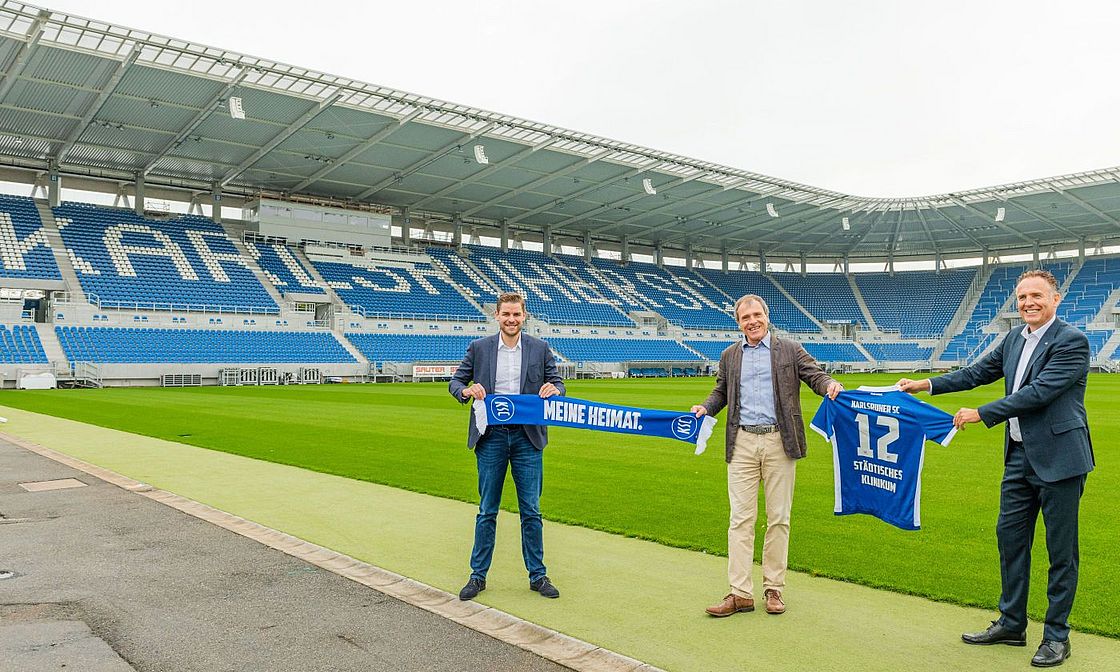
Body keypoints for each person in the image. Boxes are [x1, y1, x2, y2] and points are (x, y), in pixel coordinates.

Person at [897, 269, 1092, 668]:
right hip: (1019, 457)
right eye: (1022, 298)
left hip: (1061, 460)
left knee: (1061, 553)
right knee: (1010, 540)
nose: (1028, 304)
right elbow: (975, 374)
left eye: (1036, 296)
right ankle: (1012, 622)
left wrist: (982, 413)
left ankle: (1057, 636)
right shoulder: (1013, 340)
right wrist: (925, 385)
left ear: (1055, 299)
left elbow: (1040, 394)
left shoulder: (1071, 341)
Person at [692, 294, 842, 617]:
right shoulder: (729, 356)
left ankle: (774, 588)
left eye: (757, 315)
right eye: (746, 318)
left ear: (767, 316)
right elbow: (721, 392)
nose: (752, 322)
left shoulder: (789, 349)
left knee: (779, 518)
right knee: (740, 520)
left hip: (779, 441)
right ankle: (740, 592)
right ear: (738, 323)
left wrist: (829, 384)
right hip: (742, 442)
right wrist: (706, 407)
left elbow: (814, 374)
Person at [449, 292, 565, 601]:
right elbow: (456, 383)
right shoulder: (480, 348)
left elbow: (558, 383)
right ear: (497, 316)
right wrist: (467, 391)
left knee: (531, 510)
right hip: (492, 437)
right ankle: (478, 575)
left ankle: (538, 576)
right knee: (487, 509)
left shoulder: (540, 349)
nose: (511, 319)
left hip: (528, 437)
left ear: (524, 316)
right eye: (506, 315)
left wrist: (555, 389)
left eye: (516, 314)